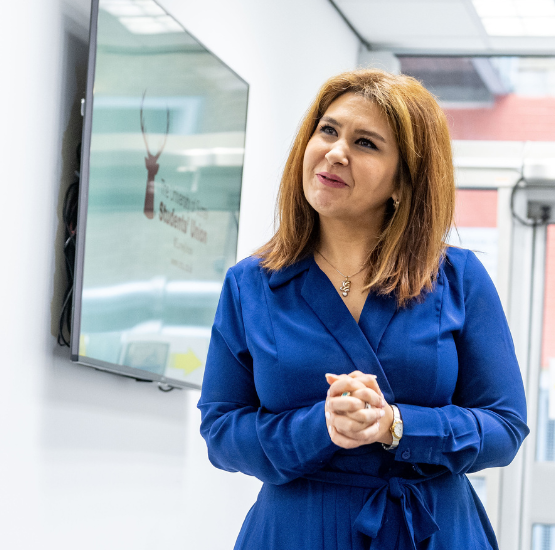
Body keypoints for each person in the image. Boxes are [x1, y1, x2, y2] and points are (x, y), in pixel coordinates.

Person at [198, 69, 528, 550]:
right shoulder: (251, 284)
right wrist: (322, 426)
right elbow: (222, 432)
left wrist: (397, 424)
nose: (335, 151)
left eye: (366, 143)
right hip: (297, 533)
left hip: (430, 531)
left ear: (402, 183)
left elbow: (505, 426)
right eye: (328, 130)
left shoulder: (458, 278)